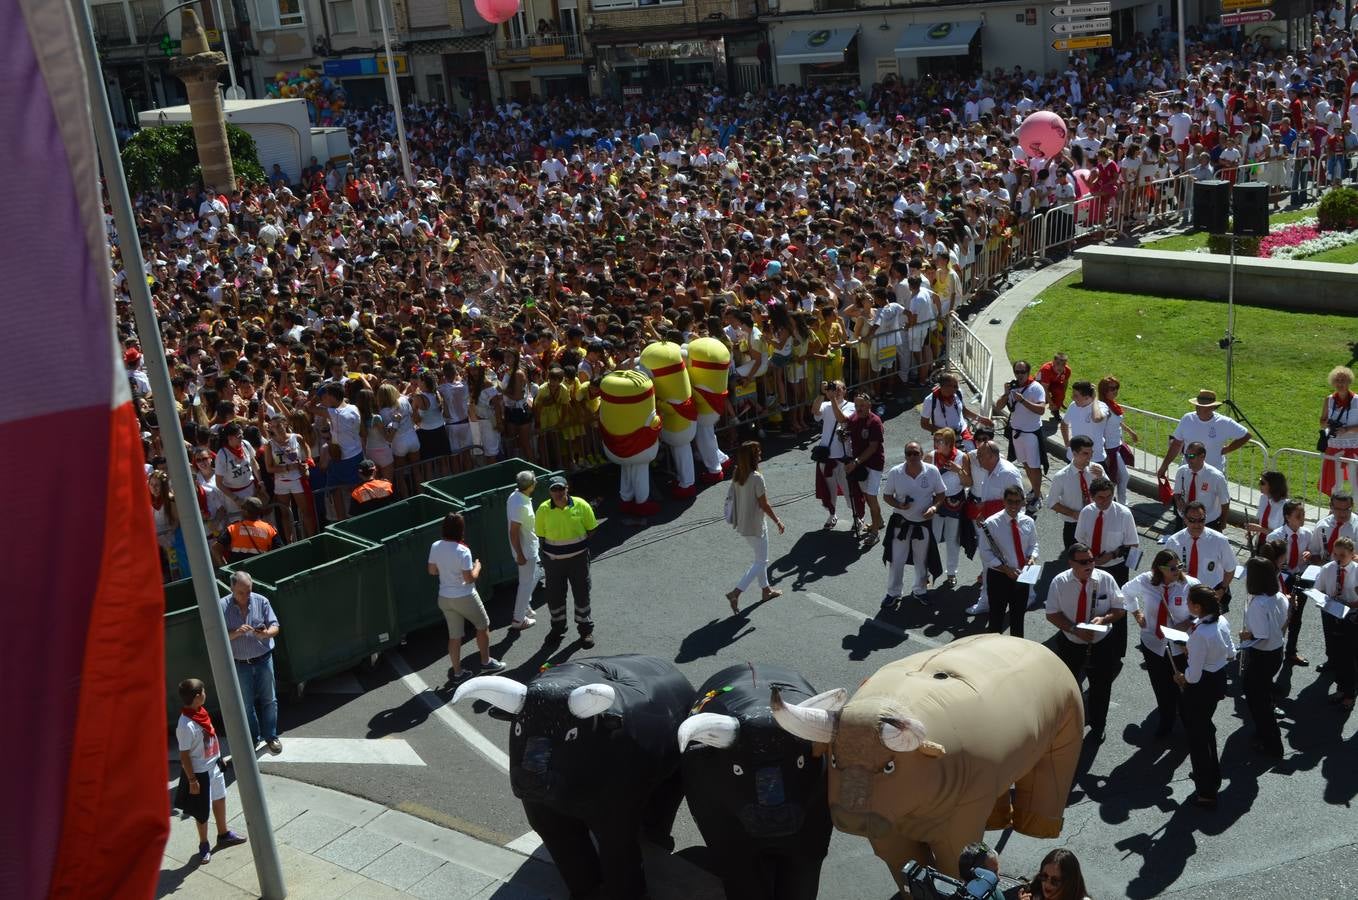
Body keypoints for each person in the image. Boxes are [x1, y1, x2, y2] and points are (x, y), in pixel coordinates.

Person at [1045, 542, 1127, 742]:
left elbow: (1120, 608)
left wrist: (1104, 619)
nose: (1089, 565)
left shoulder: (1105, 579)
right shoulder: (1059, 582)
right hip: (1071, 643)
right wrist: (1074, 629)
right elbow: (1052, 614)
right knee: (1070, 687)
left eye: (1091, 560)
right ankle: (1071, 724)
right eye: (1083, 562)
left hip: (1101, 644)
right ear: (1071, 563)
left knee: (1101, 687)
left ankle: (1099, 725)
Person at [1173, 585, 1237, 809]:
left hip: (1201, 688)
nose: (1187, 605)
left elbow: (1194, 675)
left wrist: (1182, 677)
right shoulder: (1221, 622)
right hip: (1217, 680)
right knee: (1205, 729)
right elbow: (1231, 653)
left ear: (1198, 607)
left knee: (1197, 739)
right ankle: (1211, 776)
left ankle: (1206, 791)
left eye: (1190, 602)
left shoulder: (1200, 633)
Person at [174, 678, 247, 864]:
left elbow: (211, 738)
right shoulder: (186, 725)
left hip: (214, 765)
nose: (206, 694)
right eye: (204, 691)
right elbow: (184, 756)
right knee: (201, 811)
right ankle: (203, 844)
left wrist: (219, 756)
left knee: (220, 798)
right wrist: (192, 780)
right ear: (198, 697)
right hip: (200, 773)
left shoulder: (201, 713)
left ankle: (223, 834)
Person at [1127, 549, 1198, 738]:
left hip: (1180, 646)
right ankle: (1166, 723)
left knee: (1184, 688)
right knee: (1161, 687)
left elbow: (1205, 611)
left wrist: (1189, 622)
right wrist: (1136, 613)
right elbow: (1125, 592)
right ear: (1160, 568)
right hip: (1153, 643)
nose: (1177, 570)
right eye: (1172, 568)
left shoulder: (1190, 585)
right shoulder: (1146, 580)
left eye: (1179, 566)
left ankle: (1189, 726)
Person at [429, 512, 505, 683]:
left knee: (454, 636)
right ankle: (486, 661)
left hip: (444, 598)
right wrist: (477, 567)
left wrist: (447, 570)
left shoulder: (435, 546)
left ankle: (457, 673)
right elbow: (469, 578)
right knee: (483, 625)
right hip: (464, 596)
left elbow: (432, 571)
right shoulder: (463, 551)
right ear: (460, 530)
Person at [961, 436, 1024, 617]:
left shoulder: (1008, 473)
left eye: (980, 455)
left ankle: (1025, 596)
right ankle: (986, 600)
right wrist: (982, 512)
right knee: (989, 565)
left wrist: (986, 508)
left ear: (992, 456)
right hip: (991, 527)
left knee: (1010, 565)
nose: (977, 458)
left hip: (1007, 530)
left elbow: (1019, 502)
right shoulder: (990, 471)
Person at [221, 571, 281, 754]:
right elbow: (218, 635)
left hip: (263, 658)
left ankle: (271, 736)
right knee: (246, 704)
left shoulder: (260, 600)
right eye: (241, 592)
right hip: (240, 663)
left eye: (248, 591)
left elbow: (275, 626)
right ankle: (254, 739)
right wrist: (237, 632)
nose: (246, 596)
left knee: (269, 700)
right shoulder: (222, 606)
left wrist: (266, 633)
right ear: (232, 589)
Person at [881, 440, 946, 609]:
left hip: (923, 524)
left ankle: (920, 590)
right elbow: (887, 496)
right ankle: (893, 593)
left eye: (915, 453)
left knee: (922, 560)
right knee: (896, 560)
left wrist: (934, 507)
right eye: (909, 453)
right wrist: (898, 505)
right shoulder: (896, 472)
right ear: (905, 456)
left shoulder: (932, 471)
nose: (912, 456)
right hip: (901, 524)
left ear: (921, 454)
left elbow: (940, 494)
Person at [535, 475, 598, 647]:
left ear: (567, 488)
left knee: (582, 594)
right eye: (554, 489)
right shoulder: (543, 510)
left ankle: (585, 631)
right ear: (549, 492)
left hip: (578, 561)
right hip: (553, 563)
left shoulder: (581, 505)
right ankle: (558, 629)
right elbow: (540, 535)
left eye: (560, 489)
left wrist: (577, 547)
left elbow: (591, 529)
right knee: (555, 596)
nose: (558, 493)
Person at [1238, 556, 1290, 757]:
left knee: (1257, 701)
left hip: (1263, 655)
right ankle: (1263, 734)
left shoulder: (1258, 604)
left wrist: (1246, 635)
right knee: (1262, 695)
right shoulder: (1279, 597)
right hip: (1276, 652)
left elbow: (1260, 634)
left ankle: (1271, 743)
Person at [725, 440, 785, 613]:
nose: (760, 454)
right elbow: (764, 504)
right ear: (752, 457)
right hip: (756, 525)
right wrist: (778, 521)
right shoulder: (757, 478)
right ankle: (736, 592)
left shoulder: (738, 473)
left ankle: (766, 591)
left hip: (743, 524)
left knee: (760, 558)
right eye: (757, 452)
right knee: (761, 561)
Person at [978, 485, 1039, 637]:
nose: (1013, 506)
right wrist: (1006, 569)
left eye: (1017, 502)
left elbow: (1034, 544)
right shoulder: (992, 523)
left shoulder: (1028, 522)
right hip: (999, 576)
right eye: (1010, 501)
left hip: (1022, 575)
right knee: (996, 620)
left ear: (1023, 502)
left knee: (1018, 619)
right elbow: (985, 553)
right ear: (1004, 502)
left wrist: (1032, 557)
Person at [1155, 389, 1250, 480]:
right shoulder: (1187, 419)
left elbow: (1246, 435)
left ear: (1212, 407)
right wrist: (1164, 466)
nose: (1197, 408)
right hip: (1188, 472)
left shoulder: (1224, 423)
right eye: (1197, 405)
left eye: (1201, 406)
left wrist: (1227, 449)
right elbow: (1176, 445)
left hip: (1212, 476)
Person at [993, 360, 1046, 513]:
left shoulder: (1036, 388)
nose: (1020, 375)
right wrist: (1006, 393)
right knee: (1026, 464)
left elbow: (1041, 410)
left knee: (1035, 466)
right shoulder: (1012, 387)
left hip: (1031, 434)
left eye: (1023, 372)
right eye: (1017, 372)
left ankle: (1037, 496)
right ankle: (1035, 491)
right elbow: (999, 406)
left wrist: (1023, 400)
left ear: (1028, 372)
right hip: (1017, 433)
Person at [1166, 501, 1237, 613]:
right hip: (1183, 595)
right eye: (1192, 520)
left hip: (1210, 595)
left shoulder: (1219, 541)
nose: (1197, 524)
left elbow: (1230, 568)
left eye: (1201, 520)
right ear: (1184, 519)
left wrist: (1222, 590)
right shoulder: (1173, 542)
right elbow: (1165, 570)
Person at [1268, 498, 1315, 667]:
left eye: (1303, 514)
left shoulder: (1307, 534)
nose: (1303, 518)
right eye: (1298, 515)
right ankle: (1274, 649)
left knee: (1296, 617)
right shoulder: (1276, 536)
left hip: (1300, 579)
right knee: (1278, 617)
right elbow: (1269, 563)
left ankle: (1291, 651)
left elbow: (1312, 553)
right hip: (1282, 580)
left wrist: (1309, 554)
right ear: (1287, 517)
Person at [1314, 536, 1358, 709]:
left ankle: (1350, 693)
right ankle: (1341, 687)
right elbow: (1318, 590)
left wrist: (1348, 604)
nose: (1338, 559)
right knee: (1335, 654)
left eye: (1343, 555)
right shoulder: (1327, 568)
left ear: (1352, 554)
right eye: (1335, 554)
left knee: (1349, 657)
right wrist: (1327, 600)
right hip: (1331, 615)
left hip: (1352, 618)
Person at [1074, 477, 1139, 586]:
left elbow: (1133, 544)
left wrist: (1111, 555)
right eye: (1101, 497)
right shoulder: (1086, 512)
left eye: (1109, 496)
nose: (1106, 501)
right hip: (1090, 566)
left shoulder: (1124, 514)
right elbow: (1080, 540)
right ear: (1092, 497)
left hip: (1116, 568)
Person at [1046, 435, 1106, 550]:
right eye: (1085, 453)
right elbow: (1052, 503)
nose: (1090, 457)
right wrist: (1074, 514)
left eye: (1091, 453)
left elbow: (1110, 495)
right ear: (1074, 453)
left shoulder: (1097, 470)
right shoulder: (1061, 476)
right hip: (1073, 526)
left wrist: (1101, 478)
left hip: (1096, 521)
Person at [814, 380, 859, 530]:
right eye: (834, 389)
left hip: (843, 456)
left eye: (840, 389)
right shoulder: (826, 405)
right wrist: (822, 393)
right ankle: (832, 515)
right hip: (826, 456)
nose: (837, 391)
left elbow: (842, 419)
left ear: (845, 390)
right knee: (829, 489)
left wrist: (832, 398)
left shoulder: (852, 406)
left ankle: (857, 517)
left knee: (849, 489)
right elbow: (815, 412)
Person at [930, 427, 971, 587]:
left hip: (955, 503)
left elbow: (968, 482)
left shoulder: (962, 458)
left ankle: (951, 573)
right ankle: (927, 572)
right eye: (935, 440)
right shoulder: (930, 457)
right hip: (936, 502)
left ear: (949, 443)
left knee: (952, 539)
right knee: (932, 537)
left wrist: (958, 470)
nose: (935, 444)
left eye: (939, 441)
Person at [845, 392, 886, 542]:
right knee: (868, 496)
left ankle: (875, 533)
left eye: (862, 405)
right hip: (860, 463)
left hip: (873, 465)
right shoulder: (855, 418)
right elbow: (846, 427)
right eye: (856, 405)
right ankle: (879, 522)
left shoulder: (875, 422)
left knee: (871, 497)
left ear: (869, 405)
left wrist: (855, 462)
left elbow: (873, 447)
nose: (858, 408)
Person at [320, 383, 364, 520]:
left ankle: (343, 522)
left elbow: (308, 407)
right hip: (357, 454)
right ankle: (361, 519)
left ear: (332, 397)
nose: (324, 400)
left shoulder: (334, 414)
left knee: (337, 491)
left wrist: (319, 392)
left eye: (326, 397)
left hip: (344, 460)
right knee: (357, 491)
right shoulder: (354, 407)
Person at [507, 470, 540, 631]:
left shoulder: (515, 496)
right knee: (525, 583)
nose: (536, 482)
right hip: (526, 551)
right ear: (530, 486)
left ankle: (525, 605)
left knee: (537, 574)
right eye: (535, 480)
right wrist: (520, 554)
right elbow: (513, 532)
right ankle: (518, 619)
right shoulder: (520, 505)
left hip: (529, 548)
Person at [1097, 375, 1138, 504]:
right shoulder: (1103, 408)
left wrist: (1130, 431)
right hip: (1109, 448)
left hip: (1117, 445)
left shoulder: (1113, 405)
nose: (1115, 391)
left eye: (1116, 388)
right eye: (1111, 388)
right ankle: (1116, 503)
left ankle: (1118, 503)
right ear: (1104, 390)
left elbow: (1117, 422)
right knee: (1115, 478)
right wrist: (1104, 453)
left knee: (1119, 477)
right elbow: (1100, 430)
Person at [1172, 440, 1230, 530]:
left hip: (1208, 522)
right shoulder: (1182, 471)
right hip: (1185, 520)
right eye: (1186, 455)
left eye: (1191, 456)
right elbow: (1177, 492)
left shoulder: (1216, 477)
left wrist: (1223, 523)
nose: (1187, 459)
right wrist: (1178, 501)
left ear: (1202, 456)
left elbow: (1225, 502)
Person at [1319, 365, 1358, 495]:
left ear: (1349, 382)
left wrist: (1346, 429)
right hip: (1334, 447)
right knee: (1335, 483)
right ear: (1333, 382)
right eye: (1337, 380)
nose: (1340, 383)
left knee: (1356, 483)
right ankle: (1335, 509)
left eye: (1343, 380)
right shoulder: (1329, 400)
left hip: (1354, 447)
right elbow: (1322, 421)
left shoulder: (1357, 400)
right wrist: (1328, 426)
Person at [218, 496, 281, 563]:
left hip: (239, 571)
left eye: (242, 508)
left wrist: (224, 566)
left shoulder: (233, 528)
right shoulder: (269, 529)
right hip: (262, 567)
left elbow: (215, 548)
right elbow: (280, 551)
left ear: (246, 511)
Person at [919, 372, 974, 446]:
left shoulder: (958, 393)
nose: (956, 389)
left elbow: (964, 411)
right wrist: (945, 433)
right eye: (953, 386)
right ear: (943, 386)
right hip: (943, 437)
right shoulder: (930, 400)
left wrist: (981, 419)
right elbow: (924, 424)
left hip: (962, 432)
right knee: (946, 457)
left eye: (956, 386)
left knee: (972, 454)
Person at [1059, 381, 1107, 463]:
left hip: (1094, 459)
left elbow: (1096, 418)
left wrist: (1095, 398)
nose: (1072, 397)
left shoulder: (1101, 406)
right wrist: (1067, 442)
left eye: (1076, 396)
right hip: (1074, 458)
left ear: (1087, 397)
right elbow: (1064, 424)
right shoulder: (1073, 405)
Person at [1019, 847, 1090, 900]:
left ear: (1069, 883)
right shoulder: (1035, 893)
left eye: (1055, 881)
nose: (1047, 884)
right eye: (1044, 876)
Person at [1247, 470, 1289, 552]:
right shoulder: (1263, 498)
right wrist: (1252, 530)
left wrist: (1259, 529)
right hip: (1260, 544)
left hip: (1274, 548)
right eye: (1260, 481)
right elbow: (1259, 520)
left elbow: (1280, 534)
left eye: (1262, 483)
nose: (1259, 485)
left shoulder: (1284, 506)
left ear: (1273, 486)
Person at [1037, 352, 1071, 422]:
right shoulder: (1046, 369)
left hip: (1053, 383)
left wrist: (1061, 398)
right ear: (1053, 362)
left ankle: (1055, 411)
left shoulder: (1067, 370)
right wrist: (1051, 403)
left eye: (1063, 364)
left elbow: (1065, 383)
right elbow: (1044, 388)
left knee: (1060, 393)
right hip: (1040, 384)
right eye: (1058, 364)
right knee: (1042, 398)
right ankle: (1035, 410)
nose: (1060, 367)